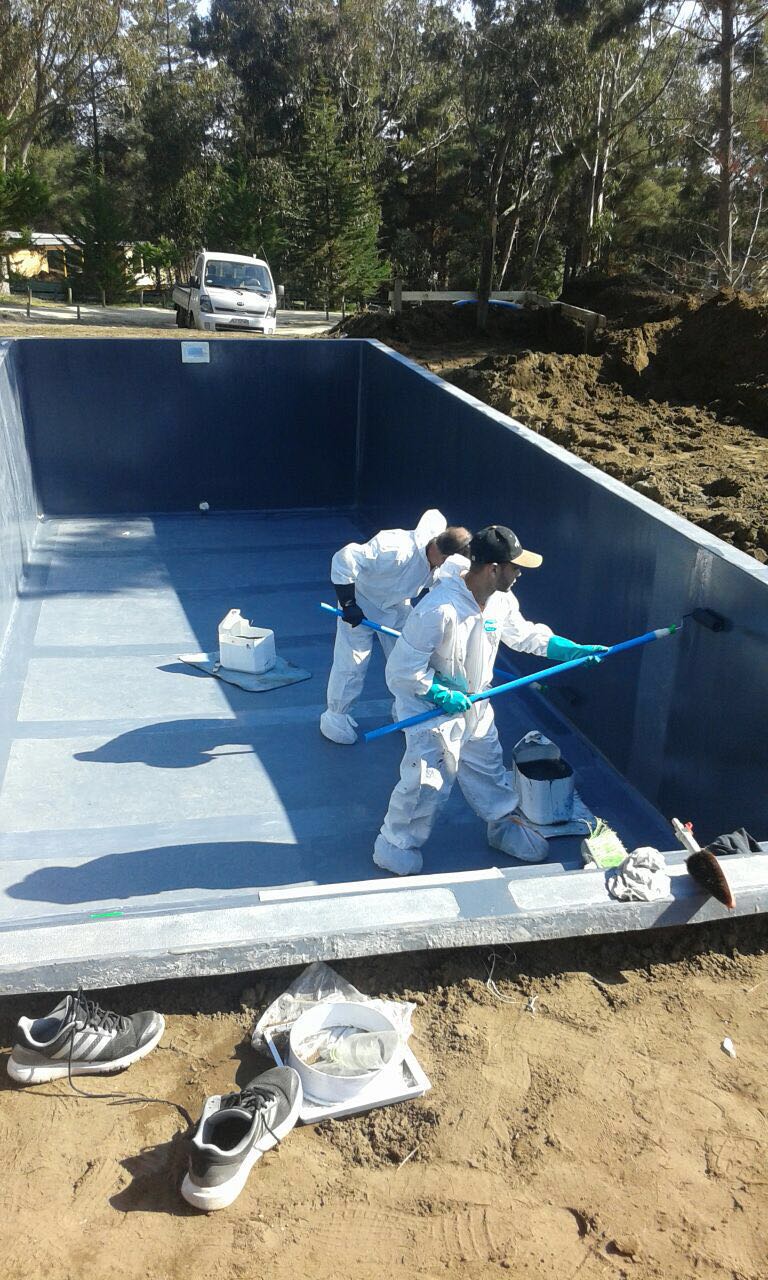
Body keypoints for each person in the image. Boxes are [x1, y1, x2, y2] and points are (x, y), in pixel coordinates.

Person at [373, 524, 608, 875]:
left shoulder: (500, 601)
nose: (520, 574)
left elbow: (524, 634)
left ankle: (502, 825)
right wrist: (438, 693)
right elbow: (402, 670)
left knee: (489, 769)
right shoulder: (438, 610)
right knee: (426, 783)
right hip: (432, 712)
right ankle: (395, 843)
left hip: (477, 703)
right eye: (515, 567)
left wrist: (570, 650)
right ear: (493, 569)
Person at [320, 510, 472, 745]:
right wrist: (348, 603)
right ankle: (336, 718)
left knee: (408, 660)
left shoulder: (442, 564)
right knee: (352, 661)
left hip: (397, 607)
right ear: (441, 553)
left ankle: (406, 711)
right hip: (361, 600)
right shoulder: (395, 548)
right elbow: (344, 558)